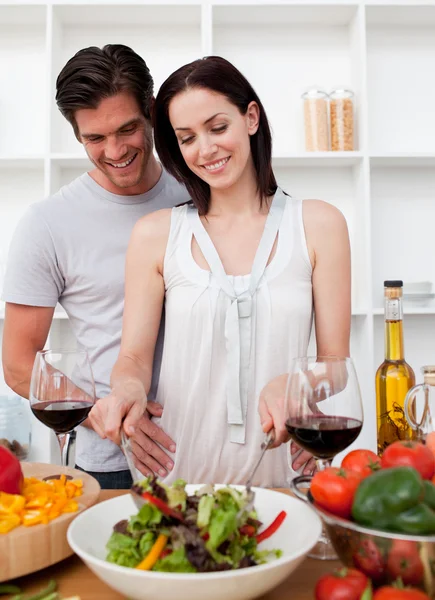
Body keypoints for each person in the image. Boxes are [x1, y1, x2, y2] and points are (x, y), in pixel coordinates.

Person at [89, 56, 351, 487]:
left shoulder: (320, 225)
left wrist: (297, 383)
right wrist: (127, 391)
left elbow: (336, 365)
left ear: (250, 117)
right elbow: (133, 358)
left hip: (284, 475)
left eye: (217, 128)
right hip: (176, 476)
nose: (205, 150)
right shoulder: (155, 234)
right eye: (187, 138)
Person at [1, 44, 190, 489]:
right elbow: (17, 364)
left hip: (212, 447)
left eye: (127, 129)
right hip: (112, 461)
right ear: (76, 134)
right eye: (95, 138)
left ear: (151, 111)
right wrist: (98, 412)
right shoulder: (47, 223)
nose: (116, 150)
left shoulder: (199, 193)